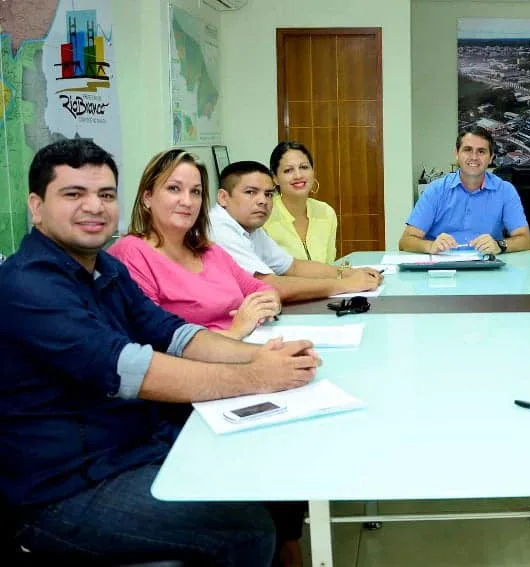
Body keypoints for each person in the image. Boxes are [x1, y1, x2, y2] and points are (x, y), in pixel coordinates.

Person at [0, 139, 322, 566]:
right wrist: (260, 376)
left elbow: (170, 332)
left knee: (268, 473)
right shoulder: (28, 285)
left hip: (135, 444)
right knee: (245, 531)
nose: (94, 207)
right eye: (74, 194)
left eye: (106, 195)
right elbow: (130, 369)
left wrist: (262, 359)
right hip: (64, 488)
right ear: (37, 207)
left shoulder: (104, 268)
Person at [109, 149, 280, 340]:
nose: (187, 201)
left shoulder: (210, 251)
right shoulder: (131, 253)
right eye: (174, 188)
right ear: (147, 197)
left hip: (247, 348)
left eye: (196, 192)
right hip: (198, 363)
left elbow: (262, 289)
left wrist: (269, 304)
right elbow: (152, 338)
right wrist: (235, 332)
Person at [210, 161, 381, 302]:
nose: (262, 201)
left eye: (268, 194)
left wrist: (350, 273)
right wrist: (347, 284)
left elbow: (293, 266)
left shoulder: (249, 227)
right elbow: (268, 287)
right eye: (250, 192)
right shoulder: (219, 229)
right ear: (223, 197)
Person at [399, 126, 530, 254]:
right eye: (467, 150)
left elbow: (526, 240)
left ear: (491, 158)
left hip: (486, 268)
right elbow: (405, 242)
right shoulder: (435, 190)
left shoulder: (505, 190)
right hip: (442, 268)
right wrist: (430, 246)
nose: (474, 157)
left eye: (481, 151)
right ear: (457, 154)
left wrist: (500, 245)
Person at [264, 141, 339, 264]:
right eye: (288, 170)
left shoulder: (326, 212)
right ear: (275, 178)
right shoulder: (264, 216)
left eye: (304, 167)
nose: (298, 175)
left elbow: (329, 265)